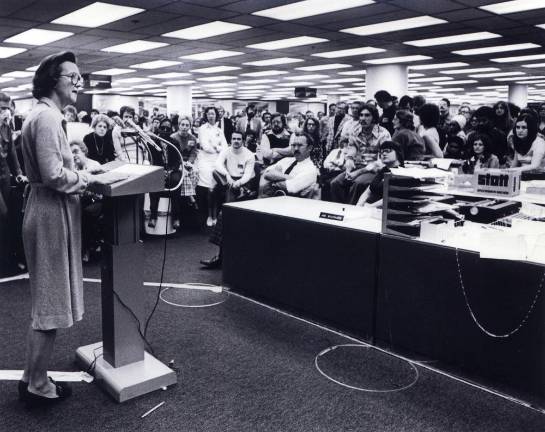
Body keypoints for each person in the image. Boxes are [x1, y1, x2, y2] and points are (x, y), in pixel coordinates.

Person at [19, 51, 125, 406]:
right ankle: (36, 385)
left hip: (46, 210)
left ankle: (32, 375)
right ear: (53, 80)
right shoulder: (48, 117)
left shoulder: (43, 115)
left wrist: (82, 170)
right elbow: (53, 175)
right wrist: (86, 178)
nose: (79, 83)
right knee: (49, 306)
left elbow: (54, 169)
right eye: (73, 77)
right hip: (50, 213)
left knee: (48, 302)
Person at [330, 103, 390, 204]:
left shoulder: (383, 134)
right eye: (361, 115)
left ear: (374, 117)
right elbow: (352, 148)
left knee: (358, 184)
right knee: (335, 183)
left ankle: (352, 211)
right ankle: (340, 210)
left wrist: (358, 172)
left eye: (367, 115)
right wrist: (349, 162)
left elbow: (383, 161)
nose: (363, 118)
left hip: (375, 170)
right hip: (357, 166)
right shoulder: (355, 131)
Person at [147, 118, 183, 229]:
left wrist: (171, 170)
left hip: (172, 170)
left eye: (168, 128)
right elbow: (151, 159)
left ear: (171, 129)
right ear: (159, 128)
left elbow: (178, 160)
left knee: (176, 182)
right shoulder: (153, 143)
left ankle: (176, 218)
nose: (165, 130)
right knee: (154, 184)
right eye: (163, 128)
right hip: (158, 170)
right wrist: (161, 171)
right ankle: (153, 217)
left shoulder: (174, 143)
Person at [259, 132, 319, 198]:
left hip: (292, 204)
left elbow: (290, 188)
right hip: (272, 199)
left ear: (309, 148)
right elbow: (267, 174)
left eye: (300, 145)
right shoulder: (286, 160)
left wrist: (275, 176)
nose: (296, 148)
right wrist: (288, 177)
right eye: (293, 145)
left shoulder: (310, 169)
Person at [198, 106, 228, 226]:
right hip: (205, 161)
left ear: (216, 116)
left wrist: (217, 147)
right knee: (209, 188)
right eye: (209, 114)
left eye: (213, 114)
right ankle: (209, 215)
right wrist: (216, 148)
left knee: (215, 189)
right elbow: (205, 147)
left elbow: (225, 148)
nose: (211, 116)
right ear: (206, 115)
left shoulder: (219, 130)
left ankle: (215, 215)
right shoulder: (202, 129)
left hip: (217, 160)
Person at [355, 140, 404, 207]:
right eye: (381, 152)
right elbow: (368, 190)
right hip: (370, 208)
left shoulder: (401, 172)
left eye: (388, 151)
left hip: (386, 211)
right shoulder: (384, 170)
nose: (383, 154)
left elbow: (392, 198)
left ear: (398, 153)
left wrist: (370, 207)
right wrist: (359, 205)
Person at [213, 131, 256, 203]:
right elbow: (217, 164)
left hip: (245, 180)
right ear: (231, 140)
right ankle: (241, 190)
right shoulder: (226, 151)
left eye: (239, 139)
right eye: (234, 139)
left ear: (243, 141)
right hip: (230, 178)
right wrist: (227, 175)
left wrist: (238, 183)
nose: (236, 141)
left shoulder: (249, 155)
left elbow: (247, 175)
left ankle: (227, 210)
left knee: (230, 190)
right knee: (214, 172)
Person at [170, 115, 198, 208]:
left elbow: (193, 153)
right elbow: (172, 155)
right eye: (182, 124)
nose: (184, 127)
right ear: (179, 125)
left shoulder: (192, 138)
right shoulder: (173, 137)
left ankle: (189, 195)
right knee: (184, 173)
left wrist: (189, 162)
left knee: (195, 172)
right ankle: (190, 197)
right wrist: (181, 163)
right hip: (177, 162)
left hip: (188, 162)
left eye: (187, 125)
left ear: (190, 126)